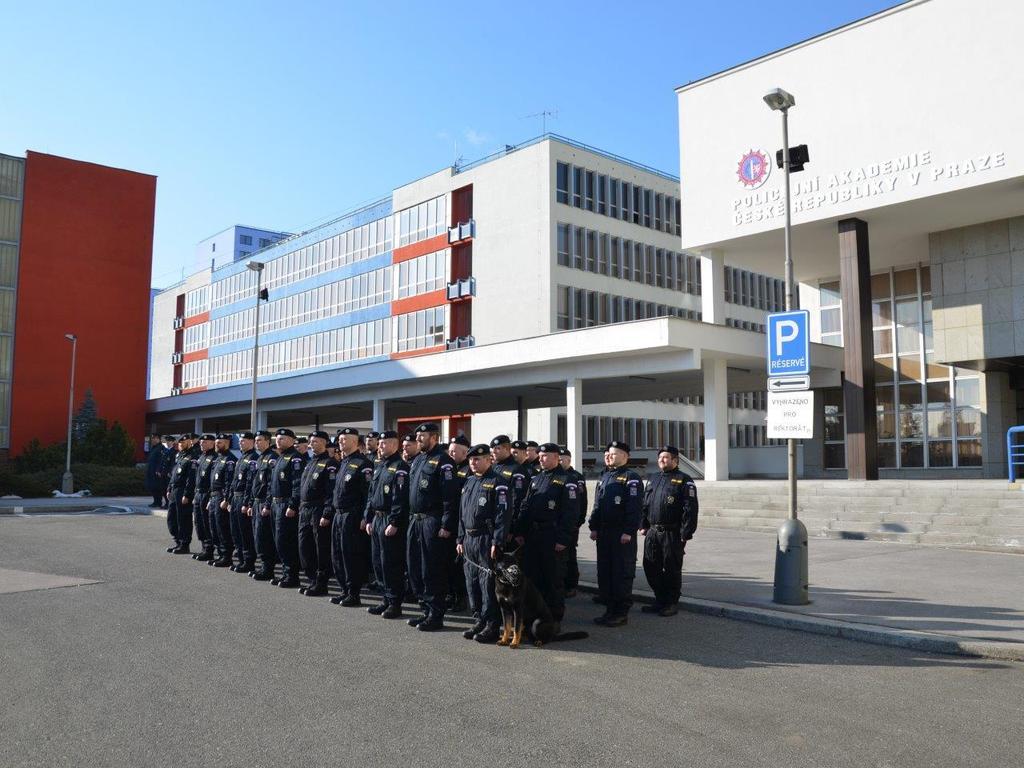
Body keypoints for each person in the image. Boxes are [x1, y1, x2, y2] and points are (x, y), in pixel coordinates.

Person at [514, 443, 577, 625]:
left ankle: (553, 620)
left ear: (557, 457)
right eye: (539, 455)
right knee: (533, 579)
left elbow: (570, 513)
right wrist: (520, 530)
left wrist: (563, 539)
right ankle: (534, 618)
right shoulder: (536, 478)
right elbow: (525, 506)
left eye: (545, 456)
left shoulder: (567, 480)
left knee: (553, 580)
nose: (540, 459)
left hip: (552, 536)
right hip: (534, 536)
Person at [406, 422, 460, 632]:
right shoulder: (418, 460)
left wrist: (446, 524)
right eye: (417, 436)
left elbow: (450, 497)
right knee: (415, 567)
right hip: (415, 520)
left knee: (431, 568)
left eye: (422, 436)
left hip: (432, 521)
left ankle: (435, 614)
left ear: (434, 438)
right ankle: (425, 610)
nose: (418, 439)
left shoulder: (444, 461)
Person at [456, 444, 508, 643]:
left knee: (487, 584)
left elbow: (503, 516)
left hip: (486, 540)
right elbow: (462, 513)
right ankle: (478, 619)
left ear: (489, 460)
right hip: (469, 539)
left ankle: (491, 626)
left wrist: (498, 540)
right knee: (471, 582)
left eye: (477, 459)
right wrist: (460, 538)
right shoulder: (469, 481)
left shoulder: (498, 483)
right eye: (470, 460)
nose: (473, 463)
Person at [589, 441, 643, 627]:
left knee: (621, 573)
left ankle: (620, 612)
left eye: (614, 453)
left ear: (625, 456)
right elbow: (597, 505)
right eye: (608, 453)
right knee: (605, 573)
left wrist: (629, 531)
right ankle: (609, 610)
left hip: (621, 534)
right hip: (604, 533)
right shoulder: (605, 477)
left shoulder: (631, 477)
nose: (609, 456)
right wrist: (593, 526)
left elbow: (634, 508)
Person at [640, 446, 699, 617]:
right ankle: (660, 600)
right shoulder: (653, 478)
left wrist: (685, 533)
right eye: (660, 458)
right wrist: (643, 523)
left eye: (666, 458)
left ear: (675, 460)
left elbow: (690, 509)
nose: (662, 460)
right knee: (650, 566)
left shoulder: (684, 480)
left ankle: (671, 602)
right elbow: (645, 503)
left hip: (671, 533)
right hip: (652, 532)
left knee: (671, 568)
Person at [364, 431, 409, 619]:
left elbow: (400, 498)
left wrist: (395, 521)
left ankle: (394, 603)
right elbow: (372, 494)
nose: (380, 446)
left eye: (384, 443)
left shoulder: (400, 467)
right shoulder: (380, 465)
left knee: (391, 562)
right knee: (378, 562)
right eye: (379, 443)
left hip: (390, 520)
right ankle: (385, 598)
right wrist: (368, 517)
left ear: (394, 445)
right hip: (377, 518)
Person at [329, 427, 374, 606]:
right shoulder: (343, 462)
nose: (340, 442)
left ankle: (353, 593)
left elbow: (368, 494)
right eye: (340, 439)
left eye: (344, 439)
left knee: (350, 555)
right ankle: (344, 590)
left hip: (352, 516)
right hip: (338, 515)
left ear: (355, 441)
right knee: (337, 554)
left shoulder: (363, 464)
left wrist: (365, 517)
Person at [297, 431, 338, 596]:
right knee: (304, 546)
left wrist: (327, 513)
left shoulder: (330, 464)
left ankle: (321, 582)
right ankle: (312, 579)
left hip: (318, 509)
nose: (312, 444)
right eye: (310, 441)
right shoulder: (310, 462)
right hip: (305, 509)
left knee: (320, 547)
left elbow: (331, 491)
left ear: (324, 442)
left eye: (315, 441)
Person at [269, 428, 306, 589]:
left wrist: (292, 505)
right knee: (278, 540)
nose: (279, 441)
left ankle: (292, 575)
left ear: (292, 440)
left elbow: (297, 485)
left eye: (282, 438)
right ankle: (285, 573)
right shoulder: (280, 457)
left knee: (286, 540)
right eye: (277, 439)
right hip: (276, 503)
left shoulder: (295, 458)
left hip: (286, 504)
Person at [246, 431, 279, 581]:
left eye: (260, 440)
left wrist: (267, 504)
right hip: (256, 502)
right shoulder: (261, 458)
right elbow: (255, 483)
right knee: (257, 536)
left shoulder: (272, 458)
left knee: (265, 537)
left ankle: (268, 569)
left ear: (267, 441)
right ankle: (263, 566)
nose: (257, 443)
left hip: (265, 503)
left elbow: (271, 485)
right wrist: (251, 502)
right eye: (256, 440)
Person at [445, 435, 471, 612]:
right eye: (450, 450)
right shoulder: (448, 468)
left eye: (455, 451)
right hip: (450, 521)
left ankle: (461, 598)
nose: (451, 454)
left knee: (459, 564)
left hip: (461, 524)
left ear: (465, 452)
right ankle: (451, 594)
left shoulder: (468, 470)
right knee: (448, 562)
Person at [489, 435, 529, 546]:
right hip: (492, 523)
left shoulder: (516, 469)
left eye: (497, 448)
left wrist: (511, 528)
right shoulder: (493, 467)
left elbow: (518, 500)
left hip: (506, 526)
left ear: (507, 449)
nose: (494, 452)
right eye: (493, 449)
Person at [559, 447, 588, 597]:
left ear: (569, 460)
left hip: (572, 524)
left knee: (570, 554)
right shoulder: (556, 475)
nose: (560, 461)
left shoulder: (576, 477)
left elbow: (582, 502)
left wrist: (579, 521)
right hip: (558, 525)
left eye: (562, 459)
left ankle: (571, 585)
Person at [229, 432, 259, 573]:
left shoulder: (253, 458)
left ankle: (248, 561)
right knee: (236, 531)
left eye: (244, 441)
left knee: (245, 532)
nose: (240, 443)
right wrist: (229, 499)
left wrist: (246, 503)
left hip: (243, 498)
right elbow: (235, 481)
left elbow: (250, 483)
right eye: (240, 441)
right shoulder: (242, 457)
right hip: (235, 498)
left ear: (252, 442)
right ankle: (241, 560)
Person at [165, 434, 198, 554]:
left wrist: (187, 494)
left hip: (183, 491)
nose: (180, 445)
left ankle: (184, 544)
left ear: (189, 442)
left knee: (183, 519)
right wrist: (169, 488)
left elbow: (191, 478)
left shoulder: (192, 457)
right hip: (174, 490)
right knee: (171, 519)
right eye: (179, 443)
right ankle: (177, 541)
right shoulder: (179, 455)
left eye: (183, 442)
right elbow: (174, 474)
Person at [208, 433, 237, 568]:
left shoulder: (230, 460)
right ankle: (220, 554)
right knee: (214, 527)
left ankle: (226, 556)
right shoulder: (217, 459)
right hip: (213, 496)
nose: (217, 445)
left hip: (221, 496)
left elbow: (228, 482)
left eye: (220, 443)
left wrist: (226, 499)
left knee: (222, 527)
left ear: (227, 443)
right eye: (216, 443)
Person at [190, 434, 218, 562]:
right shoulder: (201, 457)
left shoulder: (215, 458)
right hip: (198, 493)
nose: (202, 444)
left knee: (207, 523)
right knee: (199, 522)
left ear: (213, 443)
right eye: (201, 443)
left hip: (207, 494)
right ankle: (203, 548)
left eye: (205, 442)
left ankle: (209, 550)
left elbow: (213, 481)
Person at [145, 435, 166, 508]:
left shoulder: (161, 448)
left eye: (155, 438)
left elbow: (161, 460)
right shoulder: (153, 448)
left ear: (159, 439)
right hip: (151, 470)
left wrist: (158, 470)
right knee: (151, 487)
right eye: (153, 438)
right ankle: (155, 501)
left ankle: (158, 502)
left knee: (157, 487)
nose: (153, 440)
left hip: (156, 471)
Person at [157, 435, 177, 509]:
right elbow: (162, 462)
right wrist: (159, 470)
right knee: (163, 488)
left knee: (168, 489)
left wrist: (170, 472)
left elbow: (173, 463)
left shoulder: (174, 452)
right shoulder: (165, 451)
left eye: (169, 441)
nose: (168, 443)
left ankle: (169, 503)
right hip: (163, 473)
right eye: (167, 441)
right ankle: (166, 502)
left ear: (173, 442)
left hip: (168, 474)